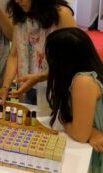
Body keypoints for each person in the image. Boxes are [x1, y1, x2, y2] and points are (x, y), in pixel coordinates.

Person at [0, 0, 76, 113]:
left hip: (55, 88)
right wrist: (5, 87)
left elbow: (72, 61)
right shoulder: (20, 15)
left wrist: (40, 77)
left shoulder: (61, 15)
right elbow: (14, 55)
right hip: (26, 88)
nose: (17, 0)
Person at [45, 27, 103, 173]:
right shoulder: (91, 72)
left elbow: (80, 135)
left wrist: (63, 118)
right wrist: (90, 130)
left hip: (94, 153)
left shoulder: (83, 81)